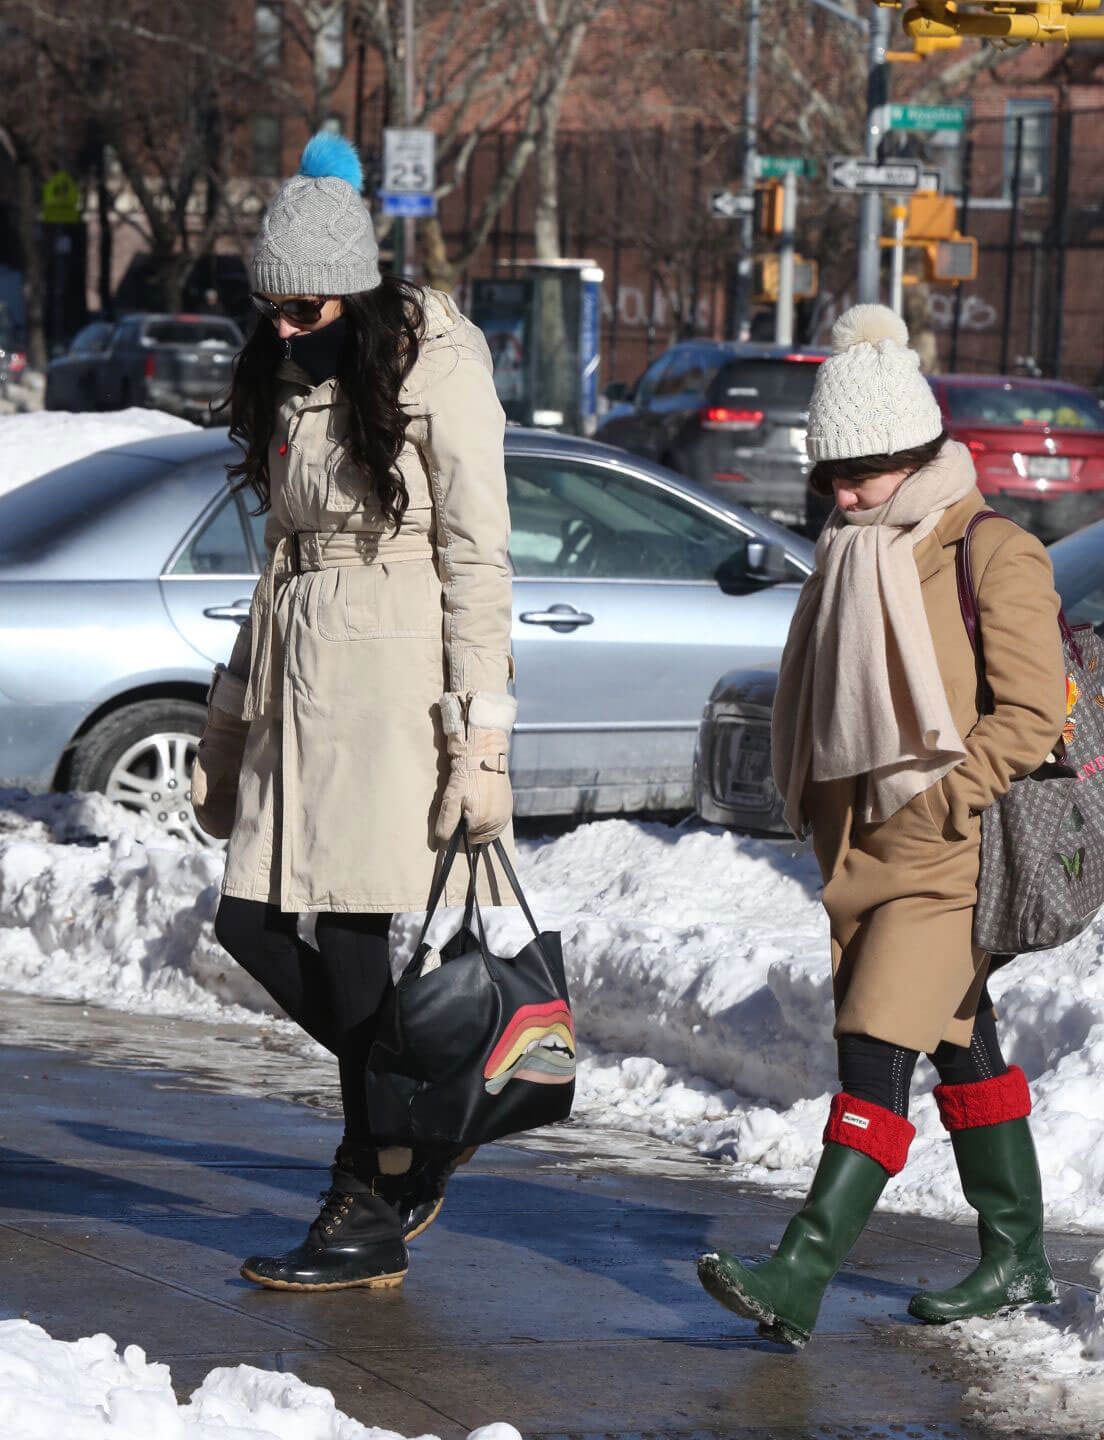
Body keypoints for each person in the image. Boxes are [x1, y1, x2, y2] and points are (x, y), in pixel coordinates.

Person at [697, 305, 1068, 1346]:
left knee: (875, 1049)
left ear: (916, 456)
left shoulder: (992, 551)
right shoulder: (857, 549)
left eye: (862, 474)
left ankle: (800, 1271)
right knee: (962, 1046)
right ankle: (1018, 1257)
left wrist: (943, 799)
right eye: (831, 478)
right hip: (863, 847)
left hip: (951, 849)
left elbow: (1036, 714)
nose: (844, 495)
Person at [191, 132, 516, 1293]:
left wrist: (480, 736)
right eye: (271, 308)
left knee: (361, 940)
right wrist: (229, 721)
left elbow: (481, 556)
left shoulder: (438, 363)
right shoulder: (287, 372)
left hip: (390, 680)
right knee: (255, 925)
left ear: (359, 289)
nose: (285, 329)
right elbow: (280, 554)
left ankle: (366, 1196)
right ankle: (428, 1112)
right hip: (296, 678)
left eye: (306, 307)